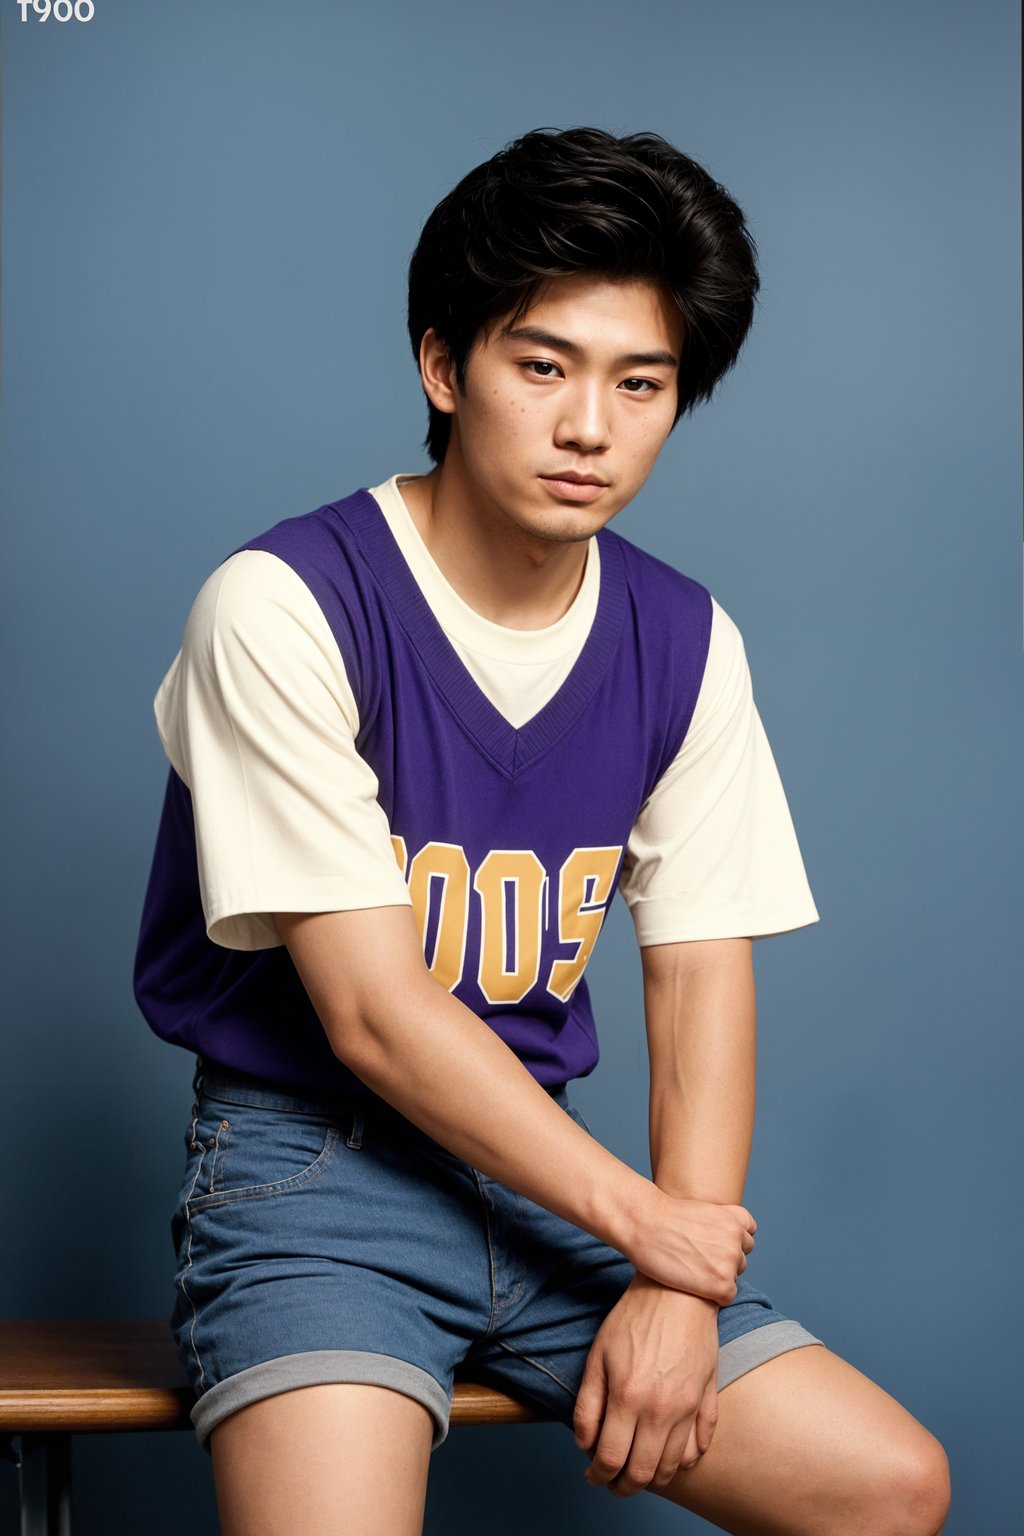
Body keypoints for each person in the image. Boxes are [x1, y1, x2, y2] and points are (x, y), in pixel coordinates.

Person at [135, 126, 950, 1536]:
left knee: (888, 1487)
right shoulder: (283, 604)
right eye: (544, 366)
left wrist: (675, 1282)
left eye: (642, 384)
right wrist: (654, 1233)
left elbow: (699, 975)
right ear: (444, 367)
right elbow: (376, 1017)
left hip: (553, 1187)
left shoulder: (684, 638)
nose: (591, 428)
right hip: (317, 1175)